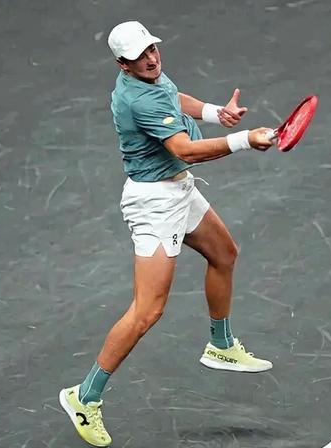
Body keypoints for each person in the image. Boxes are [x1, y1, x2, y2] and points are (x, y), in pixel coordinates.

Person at [58, 20, 276, 447]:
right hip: (155, 205)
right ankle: (84, 397)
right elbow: (185, 149)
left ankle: (221, 345)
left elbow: (174, 98)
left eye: (153, 49)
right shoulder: (136, 96)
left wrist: (215, 113)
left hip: (179, 189)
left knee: (224, 254)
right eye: (141, 56)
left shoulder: (152, 76)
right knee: (147, 311)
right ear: (123, 64)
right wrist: (244, 140)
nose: (152, 58)